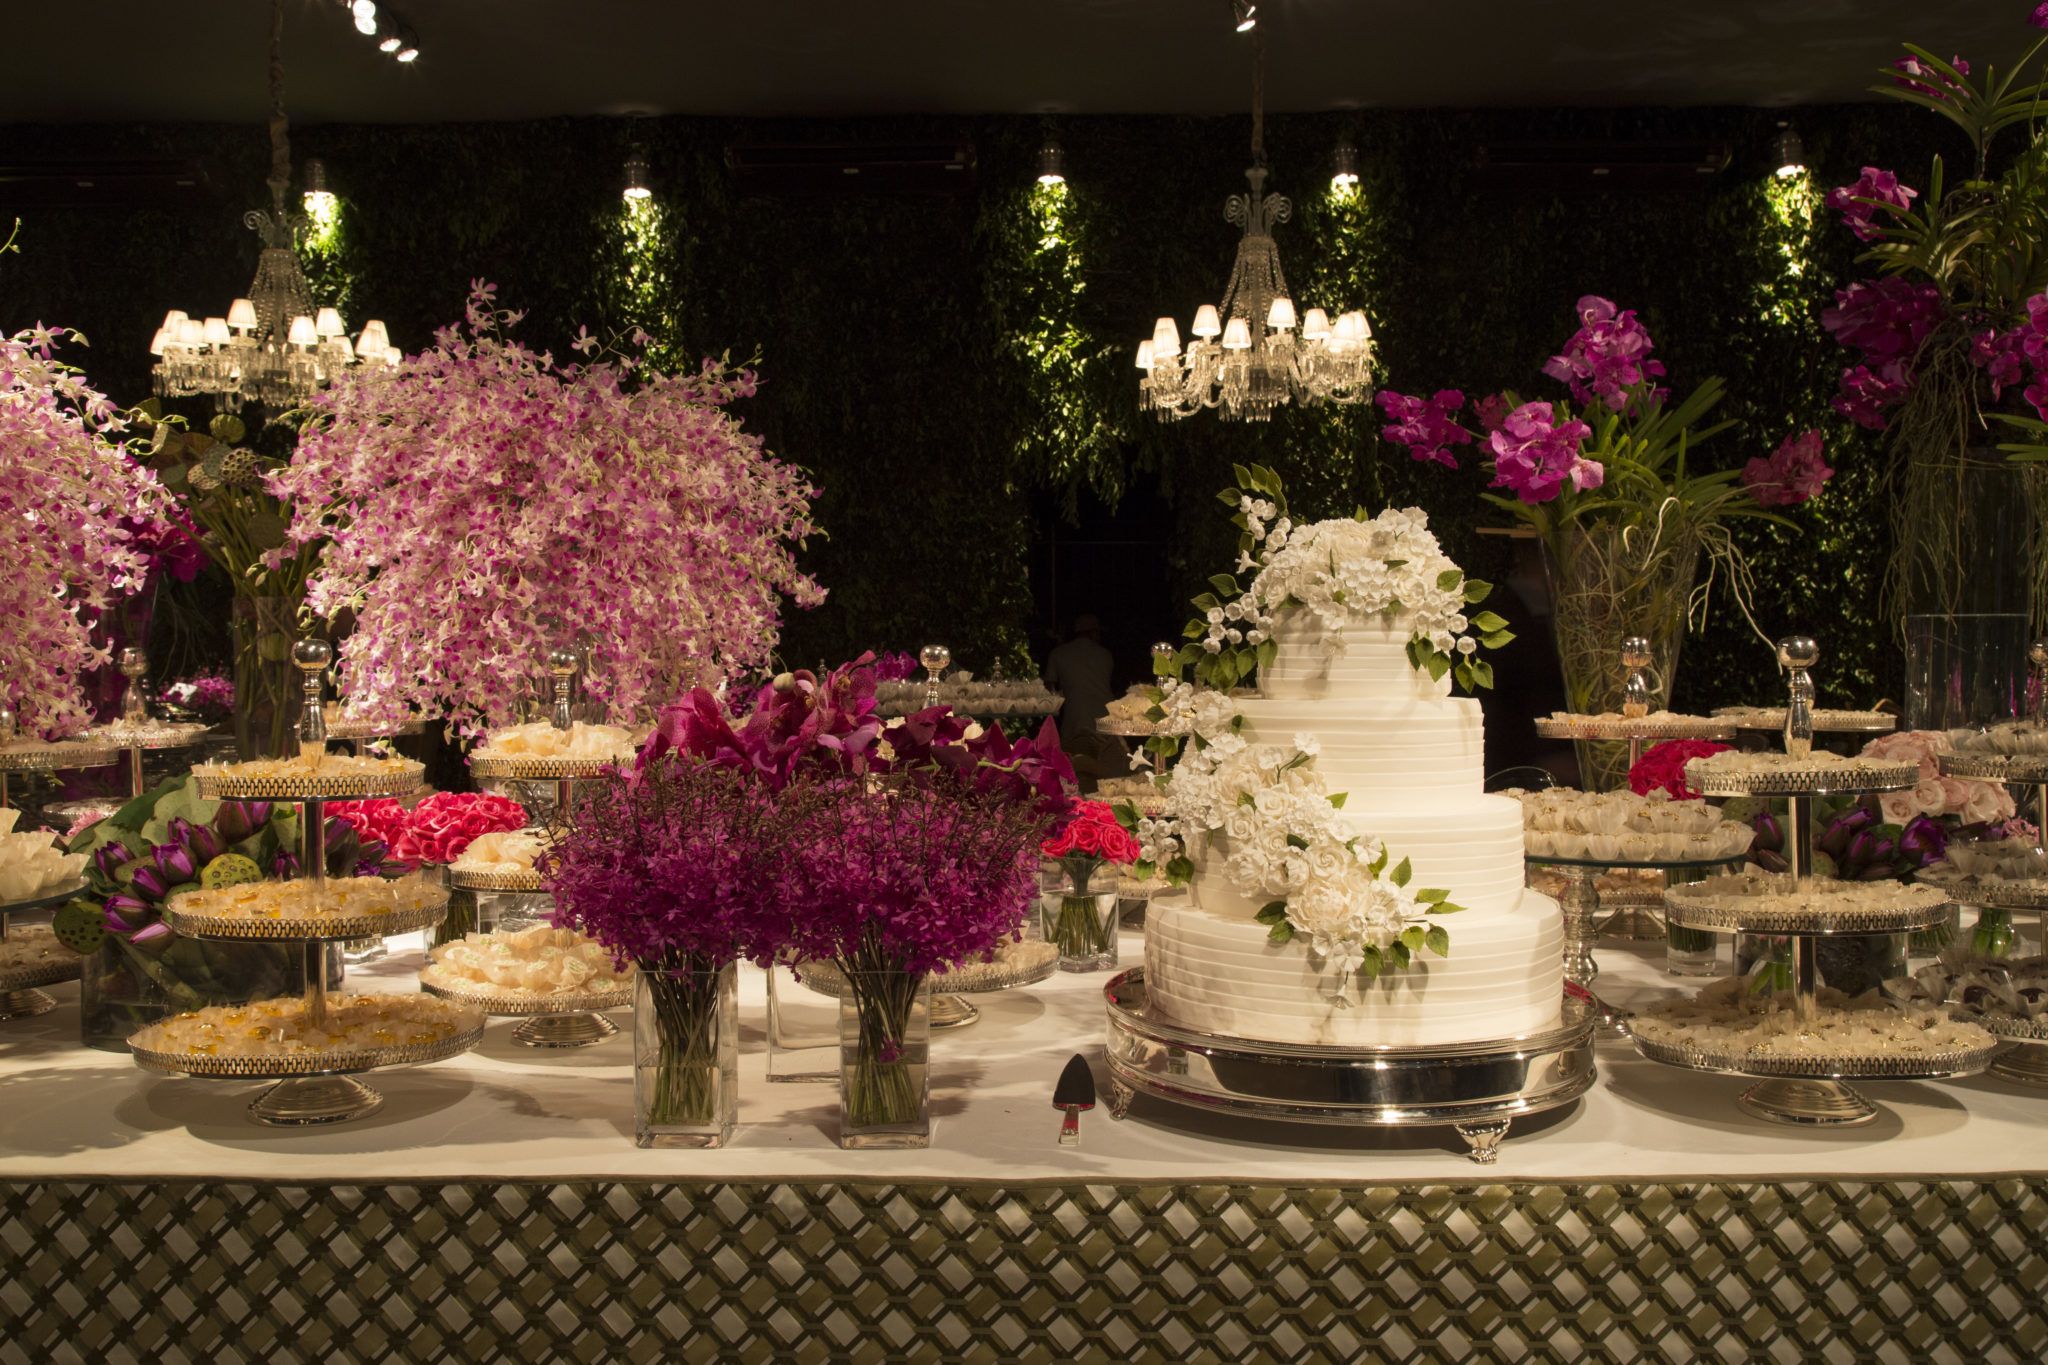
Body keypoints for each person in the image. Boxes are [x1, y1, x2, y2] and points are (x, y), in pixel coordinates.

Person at [1043, 613, 1115, 753]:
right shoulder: (1105, 654)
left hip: (1074, 719)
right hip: (1105, 719)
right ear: (1094, 632)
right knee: (1104, 761)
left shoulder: (1058, 653)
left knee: (1075, 760)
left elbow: (1049, 688)